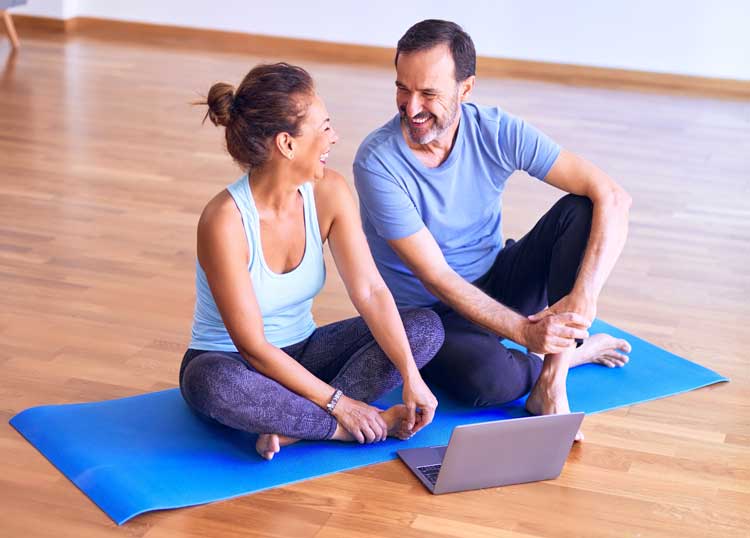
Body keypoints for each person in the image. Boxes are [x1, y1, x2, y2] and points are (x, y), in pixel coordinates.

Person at [354, 20, 633, 440]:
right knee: (489, 384)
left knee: (582, 208)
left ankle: (551, 383)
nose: (411, 108)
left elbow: (613, 196)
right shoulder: (377, 163)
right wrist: (524, 332)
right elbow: (438, 277)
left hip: (498, 279)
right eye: (402, 89)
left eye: (429, 93)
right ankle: (574, 354)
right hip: (432, 315)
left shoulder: (496, 130)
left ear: (466, 89)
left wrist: (584, 298)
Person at [180, 62, 444, 460]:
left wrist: (410, 375)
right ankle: (338, 429)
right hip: (234, 363)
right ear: (287, 144)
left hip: (305, 352)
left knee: (424, 328)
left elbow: (370, 291)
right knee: (212, 384)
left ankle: (292, 429)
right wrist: (341, 406)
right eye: (323, 128)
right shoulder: (224, 220)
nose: (334, 137)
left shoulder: (330, 192)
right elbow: (252, 347)